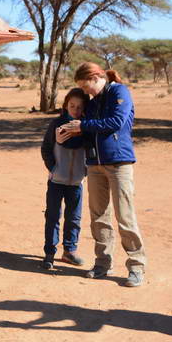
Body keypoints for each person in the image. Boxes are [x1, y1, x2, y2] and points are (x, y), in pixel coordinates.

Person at [57, 62, 146, 287]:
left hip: (119, 163)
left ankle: (136, 266)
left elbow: (116, 122)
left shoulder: (119, 91)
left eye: (86, 86)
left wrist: (83, 126)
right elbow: (89, 133)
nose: (85, 92)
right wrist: (67, 136)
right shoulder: (93, 102)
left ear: (96, 77)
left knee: (125, 216)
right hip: (94, 165)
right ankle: (102, 263)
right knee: (98, 217)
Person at [40, 87, 89, 270]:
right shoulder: (57, 124)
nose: (75, 110)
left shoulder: (86, 127)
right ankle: (49, 253)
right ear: (66, 105)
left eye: (79, 107)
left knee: (74, 218)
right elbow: (46, 148)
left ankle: (70, 251)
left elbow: (90, 150)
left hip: (77, 182)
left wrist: (85, 172)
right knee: (52, 216)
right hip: (56, 181)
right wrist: (53, 167)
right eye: (72, 105)